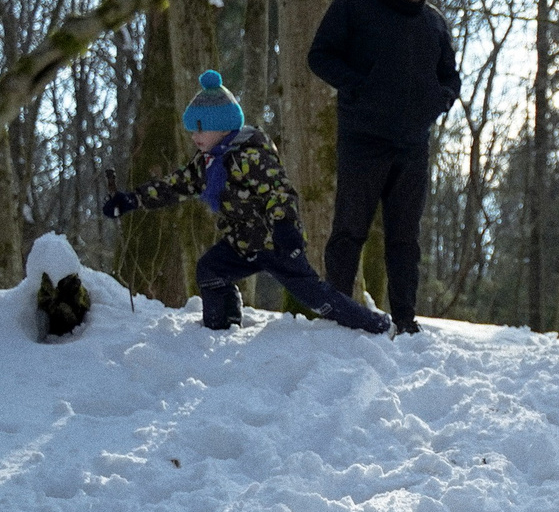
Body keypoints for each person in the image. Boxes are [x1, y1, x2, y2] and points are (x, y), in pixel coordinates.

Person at [99, 71, 389, 335]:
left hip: (275, 243)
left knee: (315, 296)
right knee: (210, 270)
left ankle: (372, 325)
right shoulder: (207, 163)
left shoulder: (250, 156)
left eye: (200, 129)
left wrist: (285, 227)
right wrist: (131, 200)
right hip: (241, 244)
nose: (194, 137)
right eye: (192, 130)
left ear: (222, 127)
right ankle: (221, 325)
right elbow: (174, 185)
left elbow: (279, 191)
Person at [308, 0, 461, 336]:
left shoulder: (434, 22)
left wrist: (439, 101)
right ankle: (339, 311)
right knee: (349, 228)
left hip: (413, 144)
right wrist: (360, 86)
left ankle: (406, 319)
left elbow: (450, 76)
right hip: (363, 138)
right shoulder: (355, 6)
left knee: (405, 237)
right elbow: (320, 56)